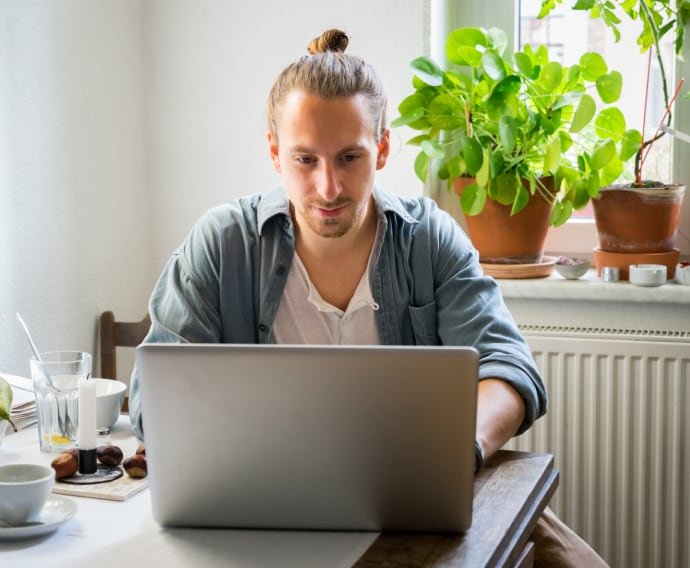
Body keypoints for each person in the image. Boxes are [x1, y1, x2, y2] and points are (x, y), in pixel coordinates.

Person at [129, 28, 607, 567]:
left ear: (382, 148)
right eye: (305, 160)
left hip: (416, 497)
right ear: (274, 152)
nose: (328, 188)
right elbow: (153, 397)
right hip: (261, 504)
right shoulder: (222, 243)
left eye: (350, 157)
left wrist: (456, 453)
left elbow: (509, 366)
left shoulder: (429, 238)